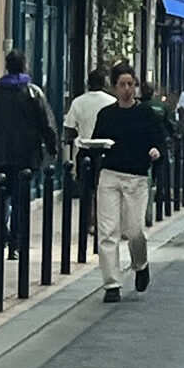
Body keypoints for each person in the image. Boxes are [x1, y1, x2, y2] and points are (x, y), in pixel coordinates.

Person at [93, 64, 167, 302]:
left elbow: (160, 141)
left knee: (134, 230)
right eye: (123, 84)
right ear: (114, 87)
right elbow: (96, 142)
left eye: (131, 84)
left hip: (136, 176)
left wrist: (156, 152)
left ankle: (140, 263)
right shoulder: (106, 115)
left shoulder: (146, 114)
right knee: (107, 231)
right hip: (110, 175)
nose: (127, 89)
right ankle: (111, 284)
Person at [0, 50, 58, 259]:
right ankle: (16, 244)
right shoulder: (32, 92)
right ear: (24, 66)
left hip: (0, 155)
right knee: (22, 199)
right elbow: (46, 123)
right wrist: (52, 147)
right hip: (26, 155)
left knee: (2, 198)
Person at [63, 69, 117, 244]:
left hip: (85, 150)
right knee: (105, 189)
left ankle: (86, 222)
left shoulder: (78, 102)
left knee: (86, 189)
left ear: (88, 83)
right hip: (107, 149)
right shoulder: (112, 102)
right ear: (105, 84)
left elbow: (69, 128)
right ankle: (102, 223)